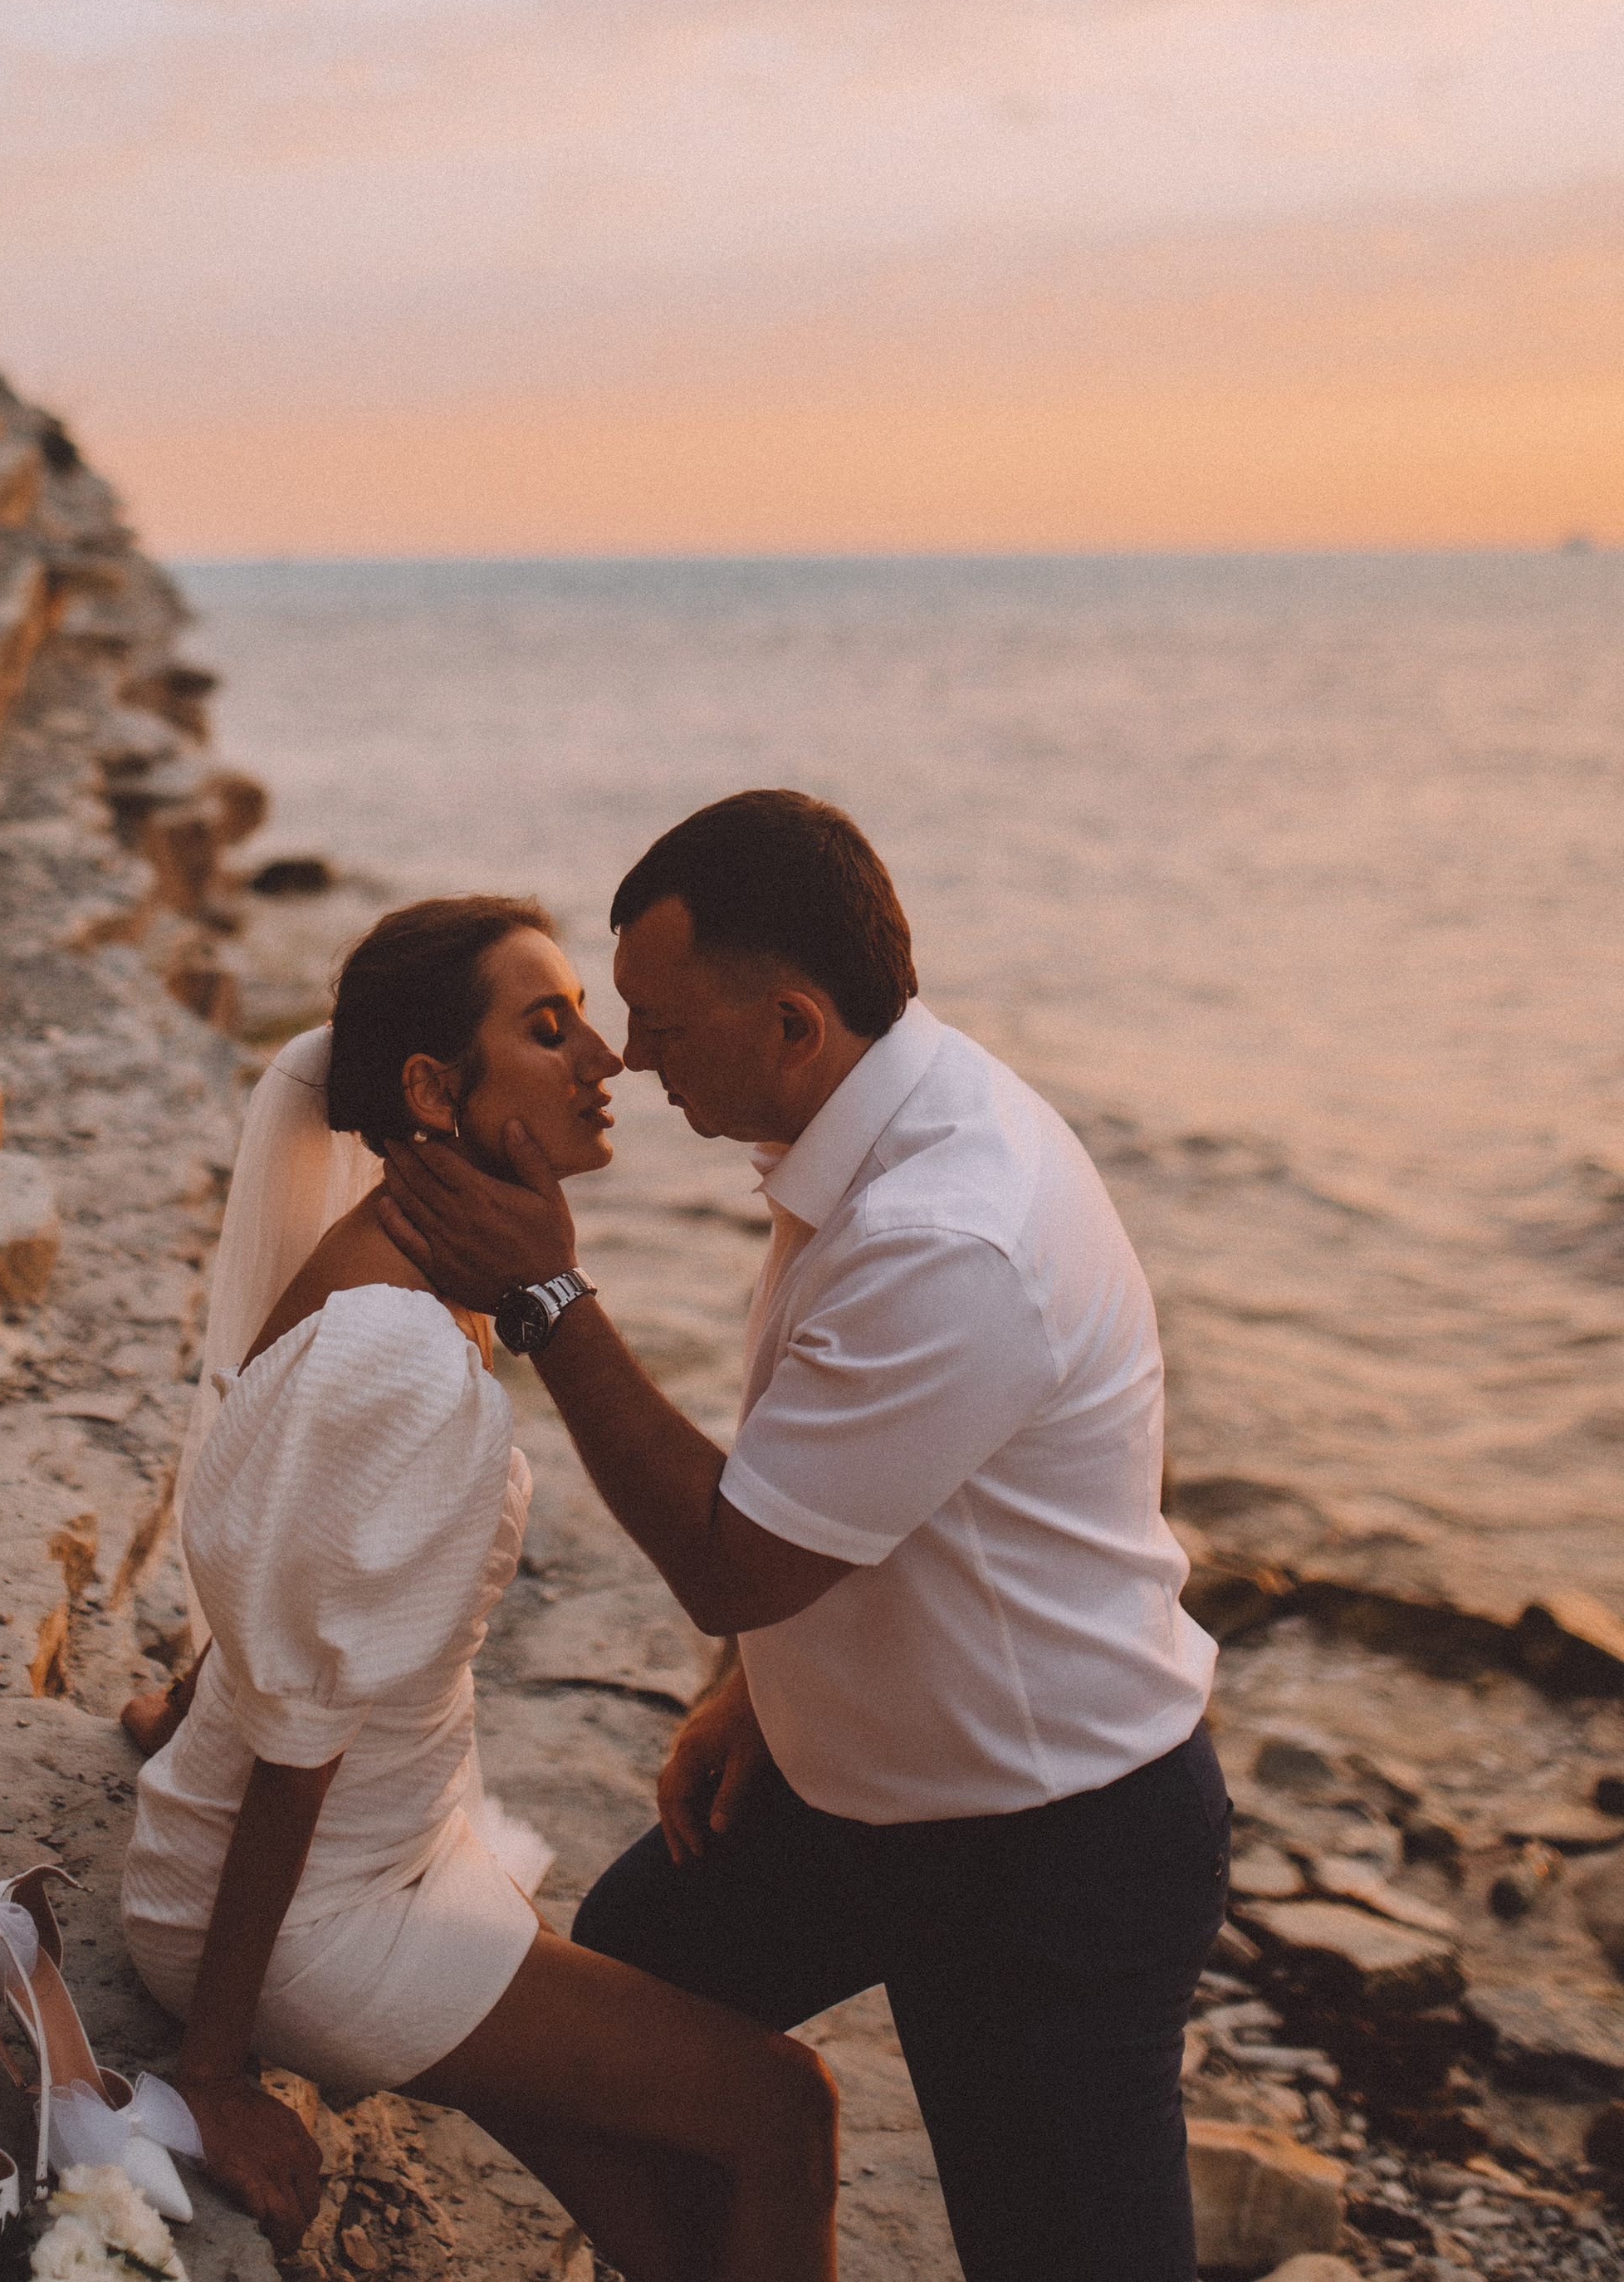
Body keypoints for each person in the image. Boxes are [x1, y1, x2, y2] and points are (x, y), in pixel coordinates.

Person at [380, 793, 1230, 2282]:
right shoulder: (868, 1116)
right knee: (627, 1996)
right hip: (853, 1800)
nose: (630, 1062)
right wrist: (757, 1694)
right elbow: (845, 1503)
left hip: (1050, 1843)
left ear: (792, 1021)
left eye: (660, 1024)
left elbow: (736, 1556)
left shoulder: (950, 1235)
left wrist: (550, 1302)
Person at [120, 894, 839, 2281]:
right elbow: (301, 1740)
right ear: (432, 1090)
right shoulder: (392, 1349)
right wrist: (214, 2070)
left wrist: (184, 1706)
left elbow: (289, 1581)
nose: (607, 1060)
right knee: (782, 2112)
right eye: (549, 1025)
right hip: (318, 1916)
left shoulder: (409, 1271)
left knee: (686, 2229)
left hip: (379, 1858)